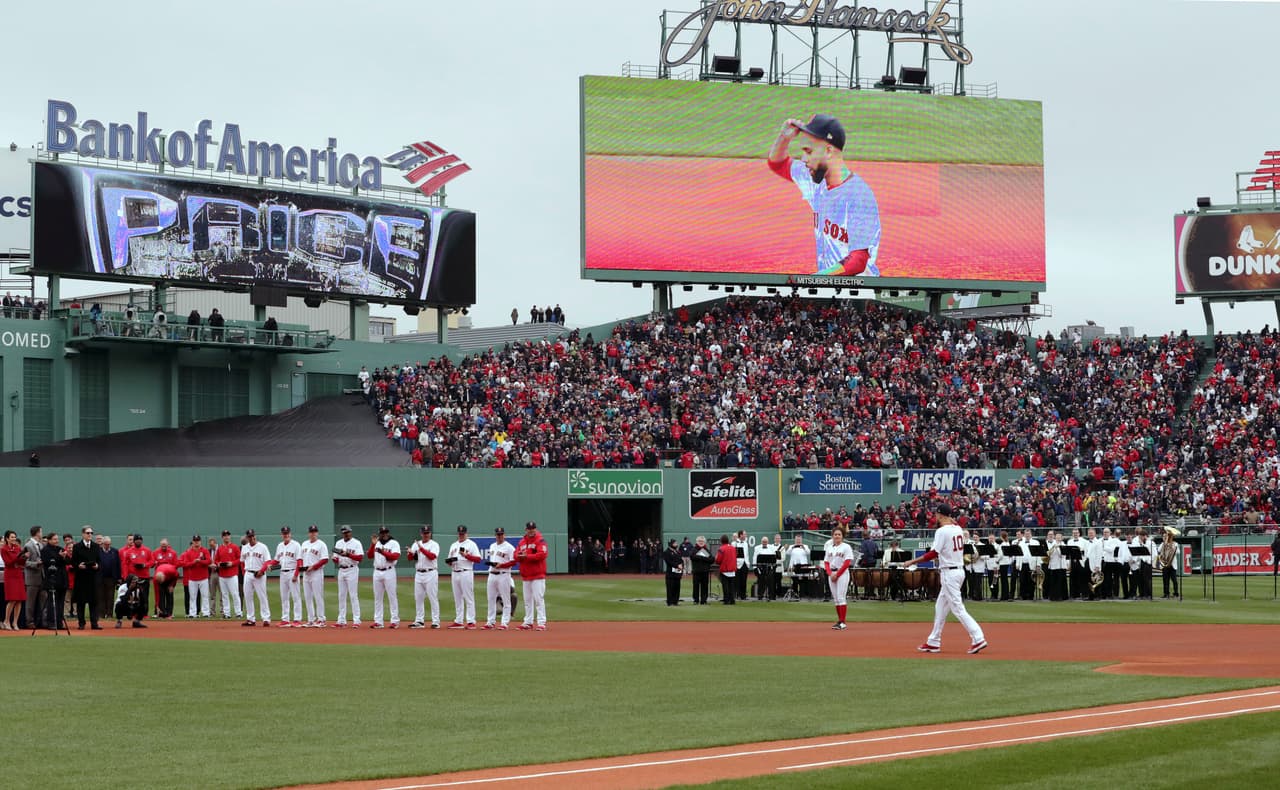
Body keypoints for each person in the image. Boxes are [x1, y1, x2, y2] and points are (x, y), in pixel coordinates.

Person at [766, 113, 881, 276]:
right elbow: (778, 164)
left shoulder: (859, 196)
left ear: (828, 151)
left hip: (858, 291)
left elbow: (858, 260)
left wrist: (815, 280)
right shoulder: (815, 179)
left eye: (809, 151)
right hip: (827, 283)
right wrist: (784, 138)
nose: (804, 159)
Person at [904, 504, 987, 654]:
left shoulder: (942, 531)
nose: (935, 517)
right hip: (958, 571)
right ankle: (933, 641)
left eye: (936, 514)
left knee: (957, 608)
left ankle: (978, 637)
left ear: (941, 515)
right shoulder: (958, 529)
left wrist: (912, 561)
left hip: (950, 573)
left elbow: (933, 553)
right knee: (940, 607)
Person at [515, 521, 549, 630]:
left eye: (533, 528)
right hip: (526, 575)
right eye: (529, 529)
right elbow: (515, 555)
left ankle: (541, 622)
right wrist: (520, 556)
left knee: (538, 599)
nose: (531, 530)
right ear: (526, 529)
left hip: (537, 575)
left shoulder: (540, 540)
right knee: (527, 600)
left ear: (535, 529)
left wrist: (527, 556)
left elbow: (542, 554)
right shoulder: (522, 541)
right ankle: (528, 621)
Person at [446, 525, 481, 629]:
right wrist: (449, 562)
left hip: (466, 572)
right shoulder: (453, 545)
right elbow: (449, 559)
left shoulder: (471, 544)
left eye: (463, 533)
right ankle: (459, 620)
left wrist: (466, 555)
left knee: (468, 597)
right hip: (455, 571)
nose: (461, 535)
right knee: (457, 598)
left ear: (466, 533)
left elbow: (478, 559)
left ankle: (471, 621)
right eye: (460, 533)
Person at [367, 526, 401, 629]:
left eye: (386, 532)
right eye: (382, 532)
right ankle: (378, 621)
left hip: (389, 571)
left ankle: (395, 621)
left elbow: (395, 556)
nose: (384, 534)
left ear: (388, 533)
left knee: (392, 596)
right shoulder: (377, 543)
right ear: (380, 534)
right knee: (377, 598)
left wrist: (383, 552)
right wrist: (373, 544)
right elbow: (369, 555)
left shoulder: (394, 543)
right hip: (377, 572)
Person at [408, 525, 440, 629]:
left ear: (430, 533)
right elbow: (411, 558)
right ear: (421, 533)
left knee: (432, 597)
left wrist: (421, 548)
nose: (426, 535)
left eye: (427, 533)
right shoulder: (416, 544)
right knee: (418, 598)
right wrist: (410, 553)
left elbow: (432, 556)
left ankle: (436, 621)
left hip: (431, 572)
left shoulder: (434, 544)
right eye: (424, 533)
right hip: (418, 573)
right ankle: (419, 621)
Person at [70, 525, 103, 630]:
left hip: (93, 578)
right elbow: (73, 562)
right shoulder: (77, 547)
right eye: (88, 533)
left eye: (91, 533)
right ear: (83, 534)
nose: (90, 535)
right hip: (81, 578)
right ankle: (81, 623)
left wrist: (97, 566)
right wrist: (78, 566)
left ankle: (94, 623)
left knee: (94, 602)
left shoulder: (96, 546)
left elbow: (99, 561)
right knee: (81, 602)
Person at [484, 527, 516, 629]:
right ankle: (490, 622)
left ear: (504, 535)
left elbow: (513, 562)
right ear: (495, 535)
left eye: (501, 534)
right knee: (491, 599)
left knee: (506, 599)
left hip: (504, 574)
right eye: (498, 534)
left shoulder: (509, 547)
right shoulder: (492, 546)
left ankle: (504, 622)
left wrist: (501, 565)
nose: (499, 536)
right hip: (492, 574)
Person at [823, 527, 855, 630]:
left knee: (841, 597)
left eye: (839, 534)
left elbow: (847, 563)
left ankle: (843, 622)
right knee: (836, 599)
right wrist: (830, 573)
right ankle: (839, 621)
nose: (837, 536)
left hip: (842, 573)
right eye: (835, 534)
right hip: (832, 573)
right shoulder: (829, 548)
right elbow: (826, 562)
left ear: (842, 536)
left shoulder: (846, 547)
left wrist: (837, 574)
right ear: (832, 536)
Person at [331, 525, 363, 628]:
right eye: (344, 532)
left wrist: (348, 555)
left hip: (352, 569)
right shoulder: (338, 543)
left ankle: (356, 620)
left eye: (347, 532)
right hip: (341, 569)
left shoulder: (356, 543)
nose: (346, 534)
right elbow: (336, 558)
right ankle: (341, 620)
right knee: (341, 595)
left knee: (353, 595)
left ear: (351, 532)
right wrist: (334, 559)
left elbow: (360, 557)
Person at [272, 526, 304, 627]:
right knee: (284, 597)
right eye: (284, 533)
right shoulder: (280, 546)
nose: (286, 535)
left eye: (287, 533)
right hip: (283, 573)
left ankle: (297, 619)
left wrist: (296, 575)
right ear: (282, 534)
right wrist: (270, 565)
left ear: (290, 534)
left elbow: (299, 561)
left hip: (292, 572)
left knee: (296, 597)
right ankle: (285, 619)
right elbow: (276, 560)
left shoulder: (296, 545)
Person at [299, 525, 329, 627]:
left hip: (316, 573)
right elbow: (300, 558)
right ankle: (310, 620)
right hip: (306, 573)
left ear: (317, 533)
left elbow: (325, 559)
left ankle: (321, 619)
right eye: (311, 532)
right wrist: (300, 567)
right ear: (309, 533)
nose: (313, 533)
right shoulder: (304, 544)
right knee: (307, 597)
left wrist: (314, 566)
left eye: (315, 531)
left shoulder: (321, 544)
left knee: (318, 596)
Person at [240, 530, 271, 627]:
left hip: (259, 575)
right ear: (247, 538)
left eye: (252, 536)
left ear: (255, 536)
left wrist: (262, 571)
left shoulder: (262, 547)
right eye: (249, 536)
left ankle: (266, 618)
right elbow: (242, 561)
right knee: (248, 597)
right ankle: (250, 619)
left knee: (262, 596)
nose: (251, 538)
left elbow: (267, 561)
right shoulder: (244, 548)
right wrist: (244, 573)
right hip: (248, 574)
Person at [119, 534, 154, 618]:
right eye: (136, 540)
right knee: (133, 596)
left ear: (142, 541)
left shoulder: (147, 550)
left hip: (144, 576)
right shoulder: (129, 551)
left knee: (144, 596)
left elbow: (152, 561)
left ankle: (144, 613)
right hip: (133, 577)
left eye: (140, 540)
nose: (138, 541)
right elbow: (125, 564)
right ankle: (133, 612)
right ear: (134, 541)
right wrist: (126, 576)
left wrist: (144, 565)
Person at [39, 532, 69, 630]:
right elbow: (48, 562)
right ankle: (51, 622)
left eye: (57, 539)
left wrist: (64, 557)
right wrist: (59, 557)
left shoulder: (60, 548)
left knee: (61, 602)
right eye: (54, 539)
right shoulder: (45, 550)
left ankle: (59, 622)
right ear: (49, 540)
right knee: (52, 602)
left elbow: (67, 562)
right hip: (52, 580)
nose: (57, 541)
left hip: (62, 579)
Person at [178, 535, 212, 618]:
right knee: (192, 597)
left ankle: (206, 613)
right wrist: (194, 562)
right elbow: (185, 564)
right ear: (192, 542)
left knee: (205, 596)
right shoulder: (188, 552)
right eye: (195, 540)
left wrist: (200, 561)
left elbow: (209, 561)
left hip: (203, 577)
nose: (196, 542)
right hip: (192, 578)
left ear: (200, 541)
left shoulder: (204, 551)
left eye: (198, 540)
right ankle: (192, 613)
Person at [213, 530, 244, 620]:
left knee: (235, 594)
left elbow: (240, 559)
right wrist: (218, 564)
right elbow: (216, 560)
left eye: (227, 535)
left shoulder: (234, 547)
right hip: (222, 575)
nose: (226, 537)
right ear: (222, 537)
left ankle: (238, 612)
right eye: (224, 535)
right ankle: (227, 613)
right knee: (224, 595)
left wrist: (232, 563)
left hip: (232, 574)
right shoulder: (220, 549)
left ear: (230, 536)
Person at [2, 530, 25, 630]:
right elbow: (8, 562)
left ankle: (15, 622)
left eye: (15, 537)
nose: (14, 539)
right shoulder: (4, 549)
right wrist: (18, 557)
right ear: (7, 538)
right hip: (10, 575)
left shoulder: (18, 548)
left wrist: (24, 557)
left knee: (19, 600)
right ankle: (6, 621)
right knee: (12, 599)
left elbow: (21, 563)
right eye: (12, 537)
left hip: (18, 574)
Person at [152, 539, 179, 618]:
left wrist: (172, 585)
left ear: (168, 545)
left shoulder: (173, 553)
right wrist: (157, 604)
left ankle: (169, 613)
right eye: (162, 545)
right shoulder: (155, 552)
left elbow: (176, 574)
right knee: (160, 595)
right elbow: (156, 593)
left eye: (165, 545)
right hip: (159, 575)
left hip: (170, 577)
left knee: (169, 594)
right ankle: (161, 612)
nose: (163, 547)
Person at [96, 535, 121, 621]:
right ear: (102, 544)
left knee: (110, 596)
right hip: (100, 577)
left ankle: (109, 614)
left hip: (111, 578)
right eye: (106, 544)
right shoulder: (98, 551)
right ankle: (101, 614)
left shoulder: (115, 551)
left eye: (109, 544)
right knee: (101, 596)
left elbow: (118, 565)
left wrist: (118, 578)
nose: (107, 546)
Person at [689, 535, 714, 605]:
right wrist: (702, 557)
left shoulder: (706, 550)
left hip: (705, 571)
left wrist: (702, 558)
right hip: (696, 571)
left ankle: (704, 600)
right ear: (697, 542)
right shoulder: (694, 549)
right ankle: (696, 600)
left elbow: (712, 559)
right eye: (699, 541)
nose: (701, 542)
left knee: (705, 587)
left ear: (705, 542)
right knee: (696, 586)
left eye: (702, 541)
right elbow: (692, 557)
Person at [1159, 527, 1181, 598]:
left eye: (1167, 536)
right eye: (1164, 536)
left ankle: (1176, 593)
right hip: (1165, 564)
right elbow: (1159, 551)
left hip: (1172, 564)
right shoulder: (1162, 544)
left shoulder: (1175, 544)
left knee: (1174, 579)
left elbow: (1178, 552)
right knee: (1165, 580)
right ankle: (1166, 593)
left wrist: (1172, 547)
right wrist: (1164, 544)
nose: (1165, 538)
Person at [714, 534, 737, 605]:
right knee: (731, 586)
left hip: (725, 569)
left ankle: (726, 600)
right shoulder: (733, 548)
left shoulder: (721, 549)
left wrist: (716, 558)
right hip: (732, 569)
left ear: (721, 541)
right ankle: (732, 600)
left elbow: (718, 560)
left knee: (725, 586)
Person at [752, 536, 776, 601]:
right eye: (763, 542)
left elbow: (774, 558)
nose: (764, 543)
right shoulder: (757, 548)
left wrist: (773, 567)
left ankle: (771, 596)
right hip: (761, 568)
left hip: (769, 568)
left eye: (766, 542)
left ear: (768, 542)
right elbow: (754, 558)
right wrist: (755, 568)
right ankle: (760, 596)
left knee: (770, 582)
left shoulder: (772, 547)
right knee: (761, 582)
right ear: (761, 542)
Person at [661, 539, 683, 606]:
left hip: (678, 573)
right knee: (670, 588)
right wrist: (677, 565)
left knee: (677, 587)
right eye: (675, 543)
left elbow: (681, 560)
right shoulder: (666, 552)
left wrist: (681, 565)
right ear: (671, 544)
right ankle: (670, 602)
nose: (676, 544)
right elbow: (669, 562)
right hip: (670, 573)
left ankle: (675, 601)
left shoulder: (678, 552)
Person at [732, 530, 750, 601]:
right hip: (738, 564)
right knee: (737, 580)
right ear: (740, 535)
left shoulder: (745, 543)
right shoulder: (734, 543)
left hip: (745, 564)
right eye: (744, 534)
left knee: (744, 580)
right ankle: (738, 595)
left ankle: (743, 595)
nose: (746, 535)